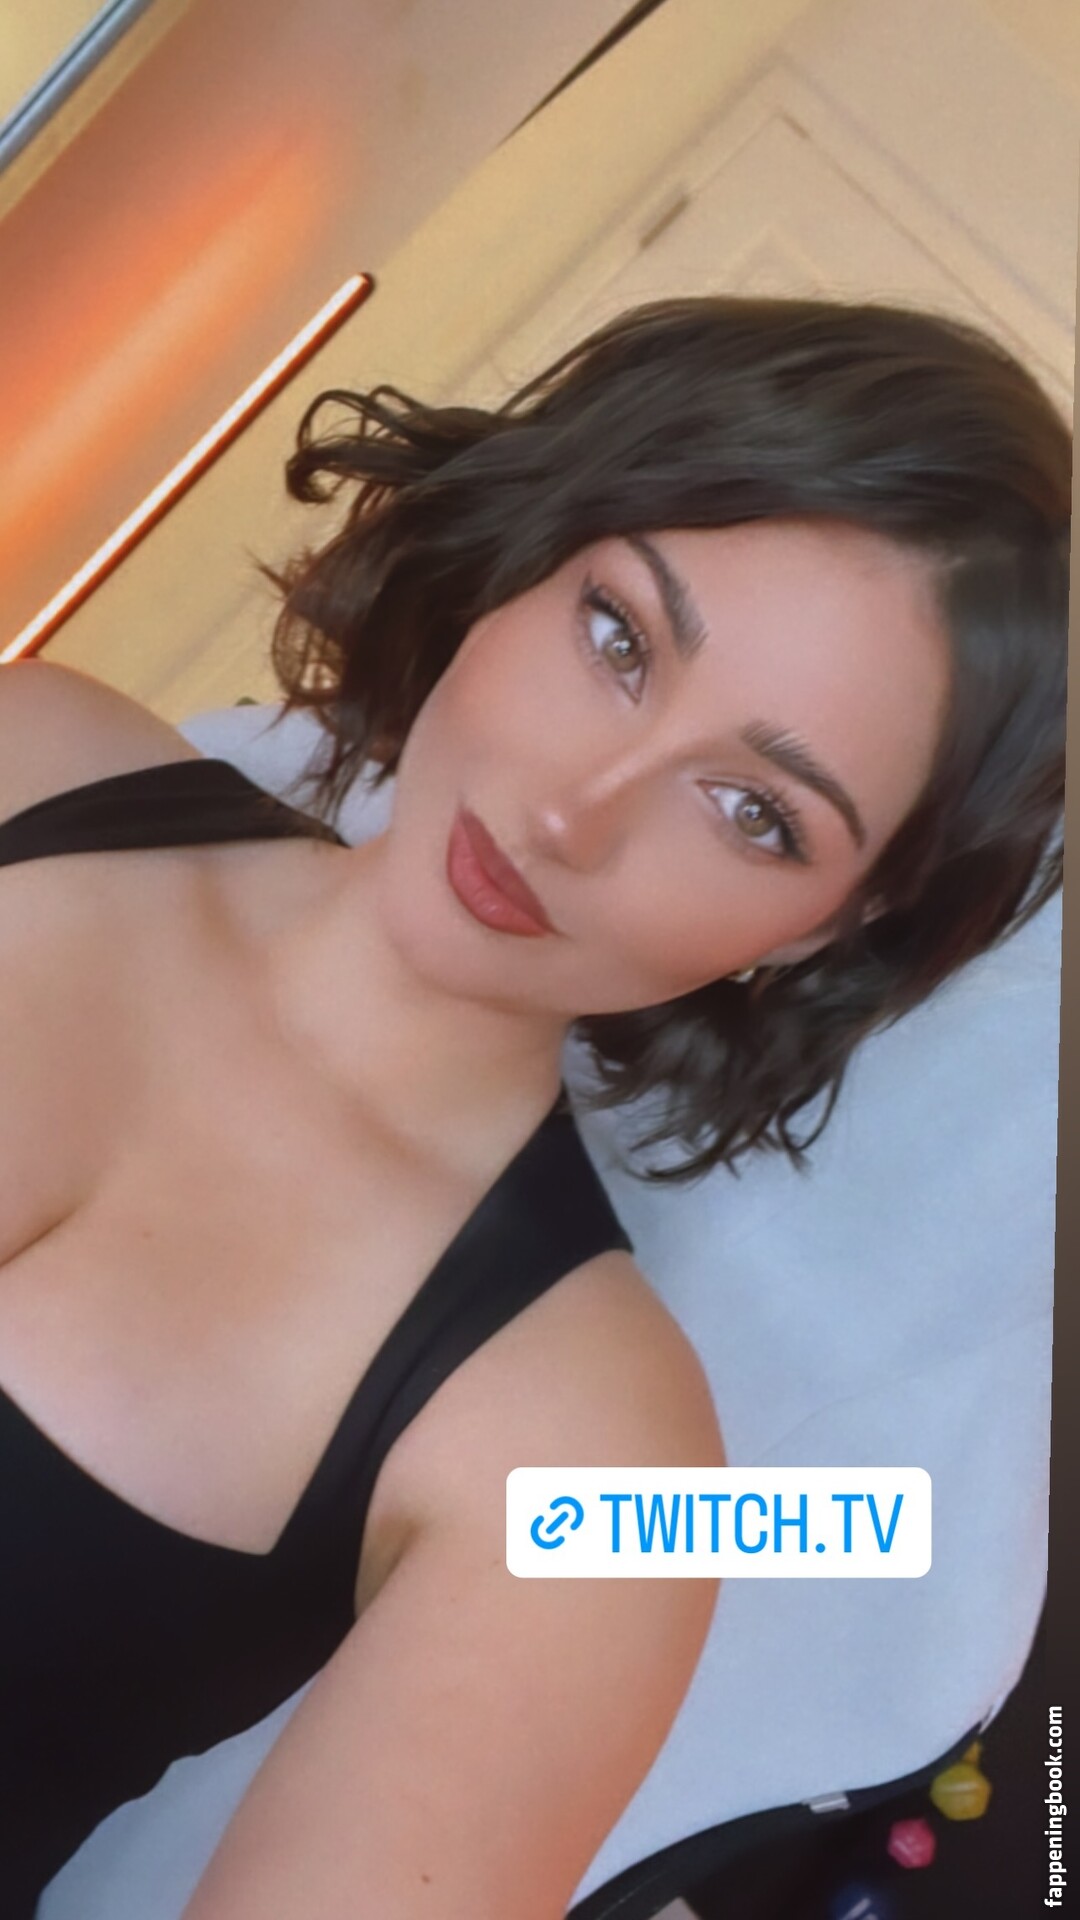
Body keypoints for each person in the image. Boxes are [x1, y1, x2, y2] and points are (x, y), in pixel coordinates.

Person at [0, 294, 1068, 1920]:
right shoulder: (32, 757)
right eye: (620, 638)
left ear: (833, 925)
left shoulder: (586, 1450)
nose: (578, 812)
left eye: (755, 811)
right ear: (531, 551)